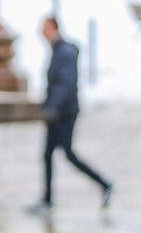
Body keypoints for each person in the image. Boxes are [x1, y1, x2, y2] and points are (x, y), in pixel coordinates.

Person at [31, 16, 113, 212]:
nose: (41, 32)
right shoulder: (57, 50)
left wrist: (53, 107)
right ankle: (48, 199)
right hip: (58, 112)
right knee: (48, 155)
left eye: (44, 27)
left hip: (63, 113)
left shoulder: (64, 52)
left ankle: (104, 184)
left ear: (53, 27)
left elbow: (64, 84)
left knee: (68, 154)